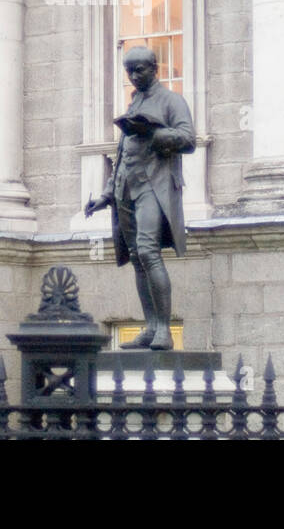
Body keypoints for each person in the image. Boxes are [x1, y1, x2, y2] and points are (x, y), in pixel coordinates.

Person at [85, 46, 195, 350]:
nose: (134, 76)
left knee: (148, 252)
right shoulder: (134, 104)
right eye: (129, 71)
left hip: (153, 187)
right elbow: (122, 157)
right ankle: (150, 326)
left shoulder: (172, 101)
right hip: (126, 191)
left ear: (154, 68)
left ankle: (164, 330)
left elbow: (188, 139)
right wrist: (106, 195)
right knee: (136, 259)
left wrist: (153, 133)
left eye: (139, 70)